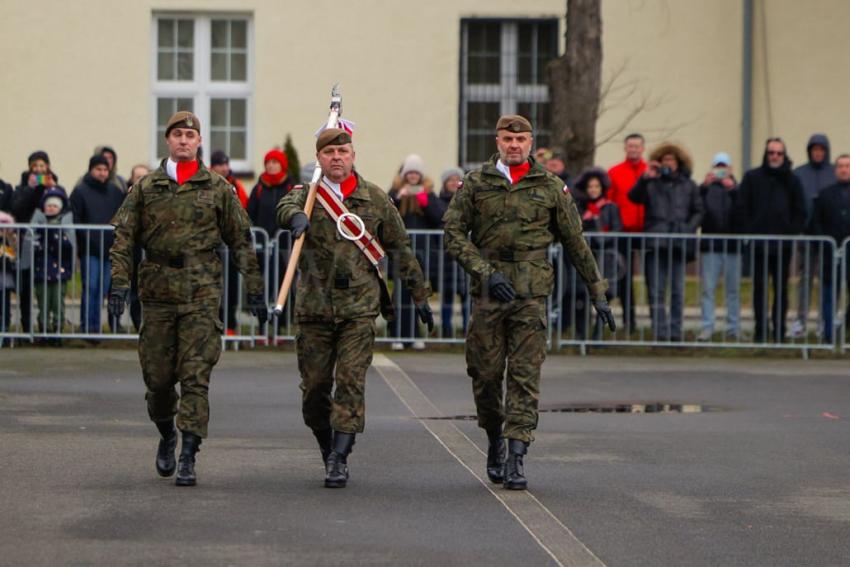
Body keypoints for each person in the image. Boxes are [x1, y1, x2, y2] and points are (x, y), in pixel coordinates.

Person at [443, 115, 614, 490]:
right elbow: (453, 234)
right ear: (498, 140)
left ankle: (517, 455)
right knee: (485, 376)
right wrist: (486, 272)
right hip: (489, 293)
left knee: (524, 378)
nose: (514, 145)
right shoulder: (476, 183)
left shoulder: (551, 186)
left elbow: (575, 242)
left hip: (531, 296)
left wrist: (597, 291)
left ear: (531, 142)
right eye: (508, 138)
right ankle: (494, 440)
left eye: (521, 139)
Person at [108, 111, 267, 487]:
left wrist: (255, 291)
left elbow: (242, 240)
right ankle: (167, 434)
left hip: (201, 293)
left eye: (190, 135)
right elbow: (123, 240)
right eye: (177, 134)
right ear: (168, 140)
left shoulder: (217, 187)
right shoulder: (146, 188)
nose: (183, 140)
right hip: (158, 294)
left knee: (196, 377)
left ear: (198, 142)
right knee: (159, 381)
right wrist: (119, 284)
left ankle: (189, 455)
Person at [276, 128, 433, 489]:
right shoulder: (308, 195)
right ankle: (327, 445)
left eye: (343, 151)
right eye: (329, 153)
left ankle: (340, 457)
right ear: (319, 159)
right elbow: (284, 207)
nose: (336, 158)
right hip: (314, 307)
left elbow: (401, 249)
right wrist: (295, 218)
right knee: (315, 389)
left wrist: (420, 295)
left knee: (350, 381)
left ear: (353, 155)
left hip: (358, 308)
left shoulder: (374, 198)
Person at [628, 142, 703, 342]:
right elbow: (633, 197)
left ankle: (675, 331)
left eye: (671, 159)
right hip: (655, 242)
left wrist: (688, 228)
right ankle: (659, 331)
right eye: (664, 160)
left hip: (679, 243)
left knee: (677, 291)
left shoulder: (688, 185)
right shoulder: (651, 183)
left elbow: (698, 210)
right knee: (656, 290)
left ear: (679, 162)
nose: (668, 163)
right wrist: (645, 178)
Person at [736, 137, 806, 342]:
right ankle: (760, 331)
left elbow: (800, 210)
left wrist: (791, 230)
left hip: (782, 245)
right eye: (771, 152)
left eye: (778, 153)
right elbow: (742, 207)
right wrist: (750, 230)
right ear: (765, 154)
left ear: (784, 155)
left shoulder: (792, 180)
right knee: (759, 288)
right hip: (758, 245)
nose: (774, 156)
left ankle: (779, 331)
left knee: (781, 289)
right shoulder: (752, 177)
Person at [387, 154, 442, 350]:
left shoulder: (428, 193)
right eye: (409, 172)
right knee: (400, 296)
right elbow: (385, 212)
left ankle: (414, 335)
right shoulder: (395, 191)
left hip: (422, 252)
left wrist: (425, 202)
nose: (412, 176)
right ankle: (397, 336)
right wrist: (397, 197)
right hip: (400, 253)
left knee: (417, 295)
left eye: (415, 172)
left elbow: (440, 217)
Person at [70, 155, 125, 335]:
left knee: (104, 288)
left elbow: (122, 216)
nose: (102, 173)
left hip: (110, 249)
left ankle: (102, 325)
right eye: (98, 169)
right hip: (90, 249)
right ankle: (88, 325)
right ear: (91, 169)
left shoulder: (115, 192)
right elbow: (77, 219)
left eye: (105, 170)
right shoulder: (80, 191)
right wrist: (85, 241)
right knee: (91, 286)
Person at [566, 167, 623, 339]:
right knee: (582, 296)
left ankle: (598, 335)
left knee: (602, 296)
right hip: (584, 259)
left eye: (596, 187)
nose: (593, 190)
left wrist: (600, 238)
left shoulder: (610, 207)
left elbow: (617, 230)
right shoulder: (580, 209)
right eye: (590, 187)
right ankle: (581, 335)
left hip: (606, 258)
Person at [12, 151, 62, 335]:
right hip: (28, 243)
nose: (39, 169)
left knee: (47, 289)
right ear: (30, 168)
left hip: (49, 246)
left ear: (48, 167)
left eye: (43, 166)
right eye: (36, 166)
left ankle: (48, 328)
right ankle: (26, 329)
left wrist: (54, 189)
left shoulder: (55, 185)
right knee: (25, 288)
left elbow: (63, 206)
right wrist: (30, 189)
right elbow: (17, 208)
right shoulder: (21, 188)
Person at [790, 134, 836, 338]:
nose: (818, 153)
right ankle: (801, 319)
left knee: (827, 280)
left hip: (828, 237)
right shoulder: (799, 173)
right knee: (805, 278)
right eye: (814, 149)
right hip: (806, 235)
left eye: (821, 150)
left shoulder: (834, 173)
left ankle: (825, 320)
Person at [248, 148, 294, 329]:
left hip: (284, 246)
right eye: (269, 162)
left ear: (282, 165)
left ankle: (281, 326)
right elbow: (250, 214)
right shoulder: (258, 188)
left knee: (282, 285)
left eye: (275, 162)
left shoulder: (290, 187)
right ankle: (262, 326)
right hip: (262, 246)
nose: (271, 166)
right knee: (262, 286)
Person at [697, 153, 741, 341]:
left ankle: (733, 327)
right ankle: (707, 326)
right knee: (708, 288)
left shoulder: (738, 189)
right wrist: (703, 187)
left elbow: (743, 211)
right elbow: (696, 206)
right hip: (710, 246)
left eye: (724, 167)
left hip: (732, 246)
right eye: (718, 167)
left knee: (733, 289)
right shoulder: (706, 189)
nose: (721, 171)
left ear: (730, 169)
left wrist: (733, 190)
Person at [607, 133, 647, 333]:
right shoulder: (615, 172)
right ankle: (628, 322)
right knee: (624, 278)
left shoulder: (649, 172)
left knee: (652, 278)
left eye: (637, 146)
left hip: (647, 231)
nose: (633, 149)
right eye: (630, 146)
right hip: (623, 233)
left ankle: (656, 323)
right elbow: (609, 202)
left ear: (642, 149)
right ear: (625, 148)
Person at [809, 154, 850, 342]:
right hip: (830, 254)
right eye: (841, 166)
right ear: (836, 170)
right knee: (828, 295)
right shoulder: (825, 194)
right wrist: (825, 242)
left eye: (847, 166)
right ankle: (829, 335)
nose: (844, 169)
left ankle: (846, 328)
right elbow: (816, 222)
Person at [210, 150, 249, 335]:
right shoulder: (206, 183)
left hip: (231, 245)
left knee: (232, 286)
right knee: (211, 286)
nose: (224, 168)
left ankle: (231, 324)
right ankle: (212, 322)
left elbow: (244, 210)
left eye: (226, 164)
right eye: (220, 164)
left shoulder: (236, 185)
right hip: (211, 245)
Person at [30, 187, 74, 341]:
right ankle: (43, 329)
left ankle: (58, 330)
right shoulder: (38, 226)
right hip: (41, 271)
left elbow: (68, 248)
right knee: (43, 302)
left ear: (60, 208)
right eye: (48, 205)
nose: (51, 208)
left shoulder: (64, 226)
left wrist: (55, 236)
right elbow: (32, 245)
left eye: (54, 206)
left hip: (59, 273)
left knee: (57, 302)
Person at [437, 167, 468, 338]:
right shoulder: (439, 201)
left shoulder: (467, 200)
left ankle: (466, 329)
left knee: (466, 295)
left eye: (457, 180)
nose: (454, 183)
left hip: (465, 254)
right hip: (447, 256)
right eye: (451, 180)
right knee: (447, 296)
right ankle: (447, 330)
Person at [125, 164, 151, 330]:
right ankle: (137, 325)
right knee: (134, 291)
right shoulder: (127, 198)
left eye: (144, 177)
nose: (141, 180)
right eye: (137, 177)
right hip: (134, 253)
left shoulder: (159, 197)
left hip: (152, 253)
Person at [0, 211, 16, 345]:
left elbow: (13, 256)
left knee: (5, 304)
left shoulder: (9, 242)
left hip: (4, 277)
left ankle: (5, 328)